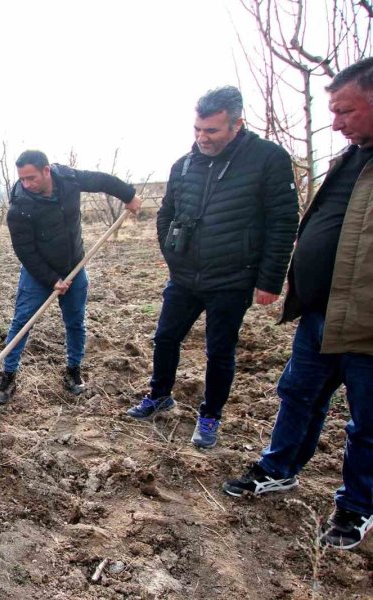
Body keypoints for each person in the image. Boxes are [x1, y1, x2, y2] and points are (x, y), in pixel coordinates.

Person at [223, 58, 373, 551]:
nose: (336, 123)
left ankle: (356, 508)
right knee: (298, 395)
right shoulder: (351, 158)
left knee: (367, 422)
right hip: (321, 312)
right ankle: (278, 468)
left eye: (345, 110)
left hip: (368, 323)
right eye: (331, 111)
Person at [125, 86, 299, 449]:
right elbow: (166, 215)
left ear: (237, 125)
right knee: (165, 338)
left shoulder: (268, 159)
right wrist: (172, 254)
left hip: (233, 279)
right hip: (185, 277)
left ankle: (210, 416)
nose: (202, 138)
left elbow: (282, 222)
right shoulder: (185, 165)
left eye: (212, 131)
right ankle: (159, 395)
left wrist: (269, 279)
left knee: (219, 351)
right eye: (197, 130)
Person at [0, 150, 141, 405]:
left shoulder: (69, 178)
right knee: (22, 323)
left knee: (75, 322)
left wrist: (128, 195)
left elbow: (102, 180)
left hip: (75, 265)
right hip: (38, 273)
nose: (26, 185)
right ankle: (8, 376)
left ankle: (73, 371)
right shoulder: (20, 208)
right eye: (22, 179)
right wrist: (51, 279)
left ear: (47, 170)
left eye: (31, 178)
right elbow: (25, 252)